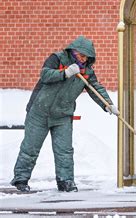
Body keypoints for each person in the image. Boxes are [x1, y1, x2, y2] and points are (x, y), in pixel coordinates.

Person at [10, 36, 119, 192]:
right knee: (30, 148)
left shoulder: (86, 70)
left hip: (63, 115)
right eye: (82, 55)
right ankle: (21, 179)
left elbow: (96, 89)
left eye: (87, 56)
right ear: (73, 51)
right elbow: (45, 75)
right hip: (39, 111)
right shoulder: (57, 58)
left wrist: (107, 105)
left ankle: (66, 181)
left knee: (65, 150)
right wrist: (65, 73)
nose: (84, 59)